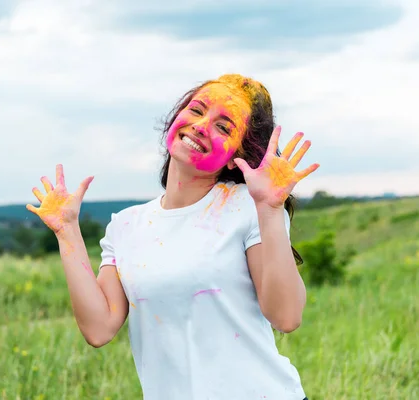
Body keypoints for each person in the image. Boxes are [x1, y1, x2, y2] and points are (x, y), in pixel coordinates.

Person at [27, 74, 319, 400]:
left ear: (239, 151)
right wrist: (67, 232)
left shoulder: (248, 206)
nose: (200, 126)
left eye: (223, 127)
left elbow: (287, 316)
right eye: (196, 110)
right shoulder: (126, 226)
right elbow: (98, 329)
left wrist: (269, 208)